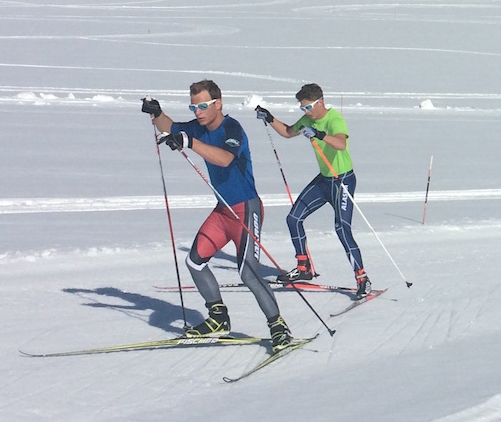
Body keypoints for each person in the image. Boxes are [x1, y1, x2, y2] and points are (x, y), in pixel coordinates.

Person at [142, 79, 293, 352]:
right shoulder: (197, 127)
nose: (197, 111)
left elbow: (224, 159)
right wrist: (156, 112)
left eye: (202, 105)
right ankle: (218, 318)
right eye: (193, 106)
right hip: (223, 211)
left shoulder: (232, 128)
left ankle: (278, 326)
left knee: (248, 273)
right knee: (195, 261)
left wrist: (188, 142)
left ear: (218, 103)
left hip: (246, 209)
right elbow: (170, 126)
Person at [256, 83, 371, 298]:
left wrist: (319, 134)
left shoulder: (334, 119)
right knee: (293, 218)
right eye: (302, 108)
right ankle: (303, 269)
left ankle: (362, 278)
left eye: (308, 107)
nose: (305, 112)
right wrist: (269, 118)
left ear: (320, 102)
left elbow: (340, 144)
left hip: (342, 180)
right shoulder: (308, 120)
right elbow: (288, 132)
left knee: (341, 228)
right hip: (324, 181)